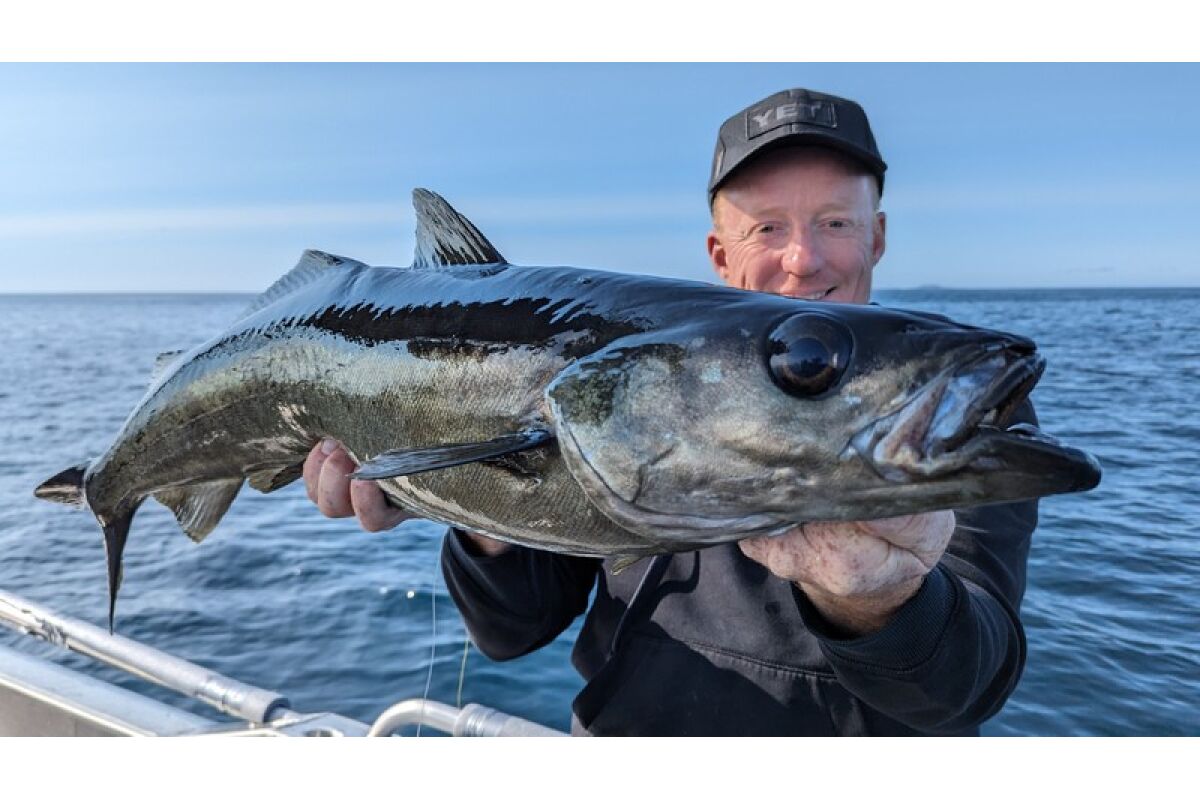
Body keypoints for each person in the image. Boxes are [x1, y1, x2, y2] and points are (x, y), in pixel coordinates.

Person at [302, 87, 1037, 735]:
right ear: (719, 254)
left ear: (877, 236)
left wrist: (885, 602)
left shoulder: (952, 417)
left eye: (836, 223)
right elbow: (509, 632)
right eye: (767, 228)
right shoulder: (623, 381)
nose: (803, 259)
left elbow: (965, 687)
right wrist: (473, 498)